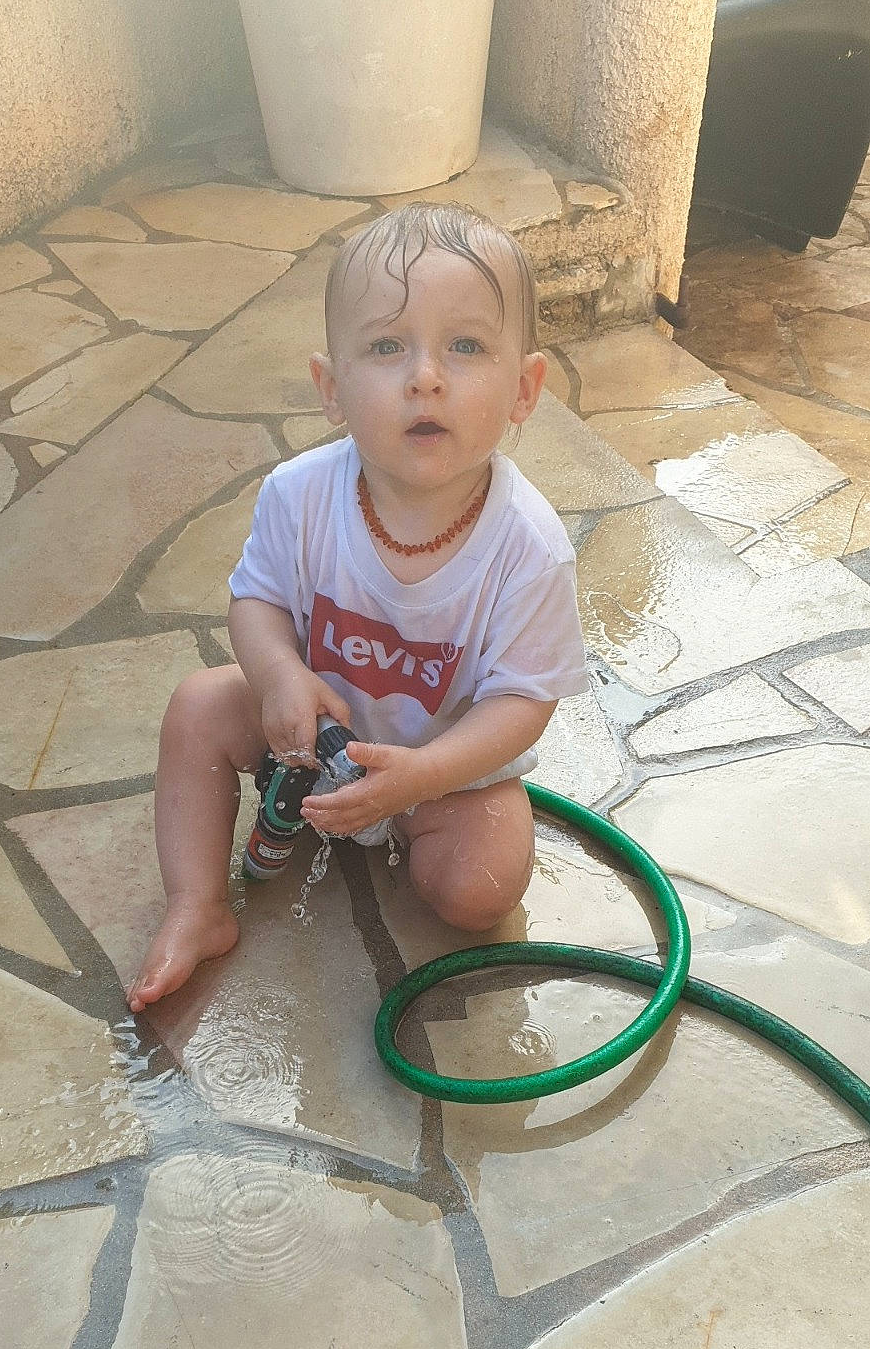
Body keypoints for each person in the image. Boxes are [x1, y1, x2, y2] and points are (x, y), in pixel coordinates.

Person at [127, 201, 588, 1011]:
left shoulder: (528, 546)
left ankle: (407, 830)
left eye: (466, 345)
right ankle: (197, 907)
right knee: (200, 705)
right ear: (331, 387)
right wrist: (275, 677)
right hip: (307, 739)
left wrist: (424, 780)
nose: (424, 375)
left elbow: (524, 702)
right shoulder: (299, 494)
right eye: (385, 346)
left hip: (443, 762)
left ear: (523, 390)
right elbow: (257, 601)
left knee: (481, 891)